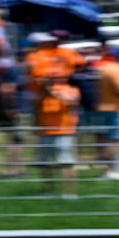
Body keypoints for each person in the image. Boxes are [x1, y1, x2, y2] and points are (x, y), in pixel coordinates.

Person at [35, 70, 82, 198]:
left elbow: (72, 102)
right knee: (46, 164)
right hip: (45, 132)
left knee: (67, 163)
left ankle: (69, 193)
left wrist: (54, 93)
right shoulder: (42, 92)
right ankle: (47, 192)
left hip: (65, 132)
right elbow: (35, 105)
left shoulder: (71, 89)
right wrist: (44, 92)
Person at [90, 45, 119, 179]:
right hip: (115, 109)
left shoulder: (102, 68)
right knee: (114, 141)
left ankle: (106, 171)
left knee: (104, 139)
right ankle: (114, 170)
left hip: (100, 108)